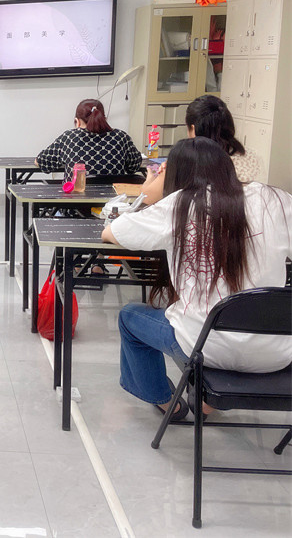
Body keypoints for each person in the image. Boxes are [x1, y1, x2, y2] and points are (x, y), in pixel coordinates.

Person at [102, 138, 292, 421]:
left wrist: (148, 188)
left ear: (177, 174)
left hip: (205, 346)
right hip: (275, 351)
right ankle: (210, 403)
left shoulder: (181, 203)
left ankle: (168, 404)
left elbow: (113, 232)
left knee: (130, 317)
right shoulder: (276, 199)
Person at [140, 95, 261, 204]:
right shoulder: (252, 155)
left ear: (193, 129)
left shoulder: (189, 157)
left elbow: (147, 197)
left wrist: (151, 178)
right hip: (245, 218)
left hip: (200, 219)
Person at [36, 98, 142, 178]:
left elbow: (41, 161)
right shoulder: (121, 137)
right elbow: (134, 166)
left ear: (77, 122)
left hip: (75, 199)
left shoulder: (69, 137)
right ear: (104, 119)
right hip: (113, 200)